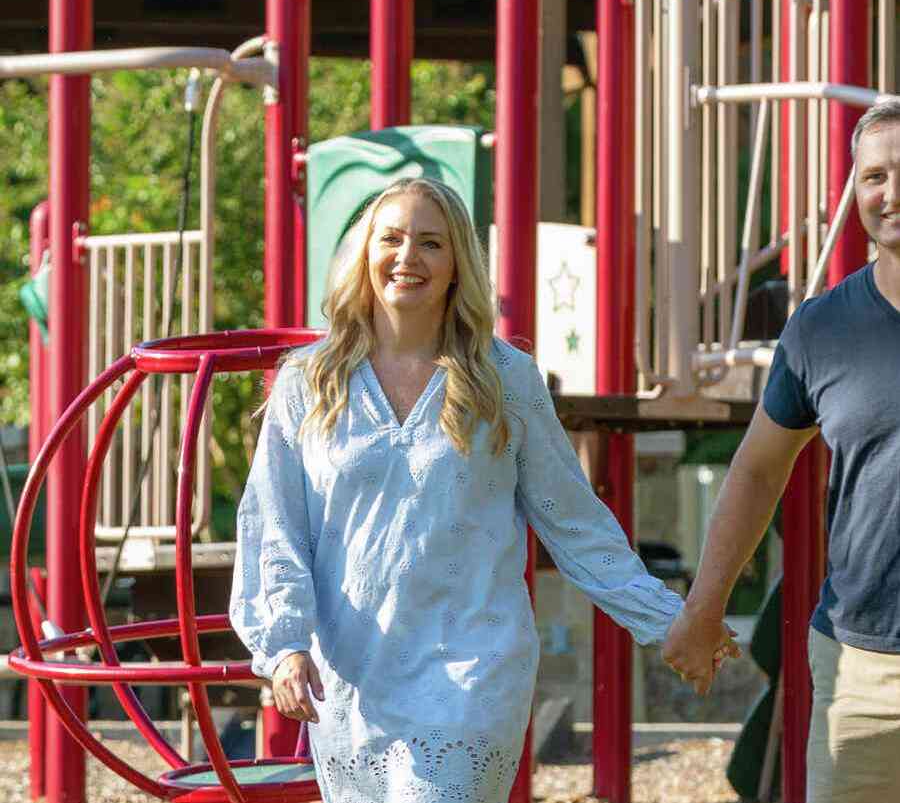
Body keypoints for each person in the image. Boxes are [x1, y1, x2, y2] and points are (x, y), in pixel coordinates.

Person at [229, 176, 733, 802]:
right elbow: (274, 528)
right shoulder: (308, 382)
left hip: (471, 675)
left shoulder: (505, 380)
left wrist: (670, 620)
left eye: (430, 243)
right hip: (352, 682)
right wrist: (282, 645)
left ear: (456, 265)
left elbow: (575, 524)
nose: (408, 257)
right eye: (392, 238)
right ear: (365, 252)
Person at [662, 98, 900, 801]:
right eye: (873, 176)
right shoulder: (820, 331)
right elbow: (758, 471)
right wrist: (705, 606)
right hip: (861, 664)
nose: (890, 193)